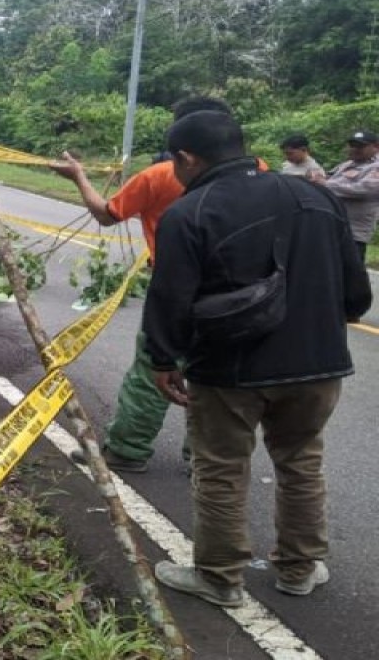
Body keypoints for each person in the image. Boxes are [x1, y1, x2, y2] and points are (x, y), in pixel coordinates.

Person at [144, 110, 371, 607]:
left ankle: (219, 578)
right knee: (301, 462)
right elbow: (357, 295)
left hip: (229, 370)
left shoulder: (190, 211)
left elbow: (170, 298)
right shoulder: (316, 197)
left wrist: (162, 359)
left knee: (221, 468)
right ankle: (299, 569)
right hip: (317, 365)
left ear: (187, 158)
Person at [47, 96, 248, 473]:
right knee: (216, 375)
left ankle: (127, 449)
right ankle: (204, 459)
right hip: (239, 296)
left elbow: (107, 214)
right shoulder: (259, 175)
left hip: (175, 290)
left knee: (152, 370)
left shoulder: (158, 177)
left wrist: (79, 177)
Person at [322, 130, 379, 262]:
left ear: (376, 147)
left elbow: (364, 189)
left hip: (355, 231)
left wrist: (326, 184)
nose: (354, 149)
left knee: (352, 269)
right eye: (352, 145)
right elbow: (327, 177)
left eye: (360, 146)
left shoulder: (375, 167)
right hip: (335, 225)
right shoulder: (347, 165)